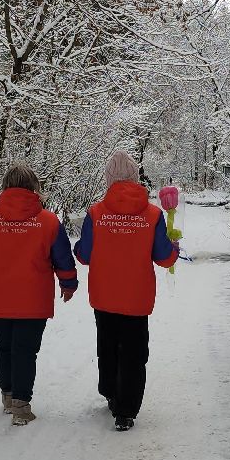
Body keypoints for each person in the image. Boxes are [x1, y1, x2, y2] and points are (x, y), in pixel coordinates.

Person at [0, 165, 77, 425]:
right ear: (34, 187)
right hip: (34, 300)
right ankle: (21, 406)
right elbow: (63, 258)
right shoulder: (48, 221)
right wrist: (68, 284)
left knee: (5, 346)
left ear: (5, 187)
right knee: (25, 350)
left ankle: (8, 396)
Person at [73, 150, 178, 432]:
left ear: (108, 180)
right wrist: (174, 247)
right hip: (137, 297)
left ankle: (110, 392)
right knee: (133, 352)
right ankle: (126, 411)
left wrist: (78, 247)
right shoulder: (153, 215)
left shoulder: (95, 213)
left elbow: (84, 255)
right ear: (135, 178)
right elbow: (164, 257)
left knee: (107, 346)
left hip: (104, 296)